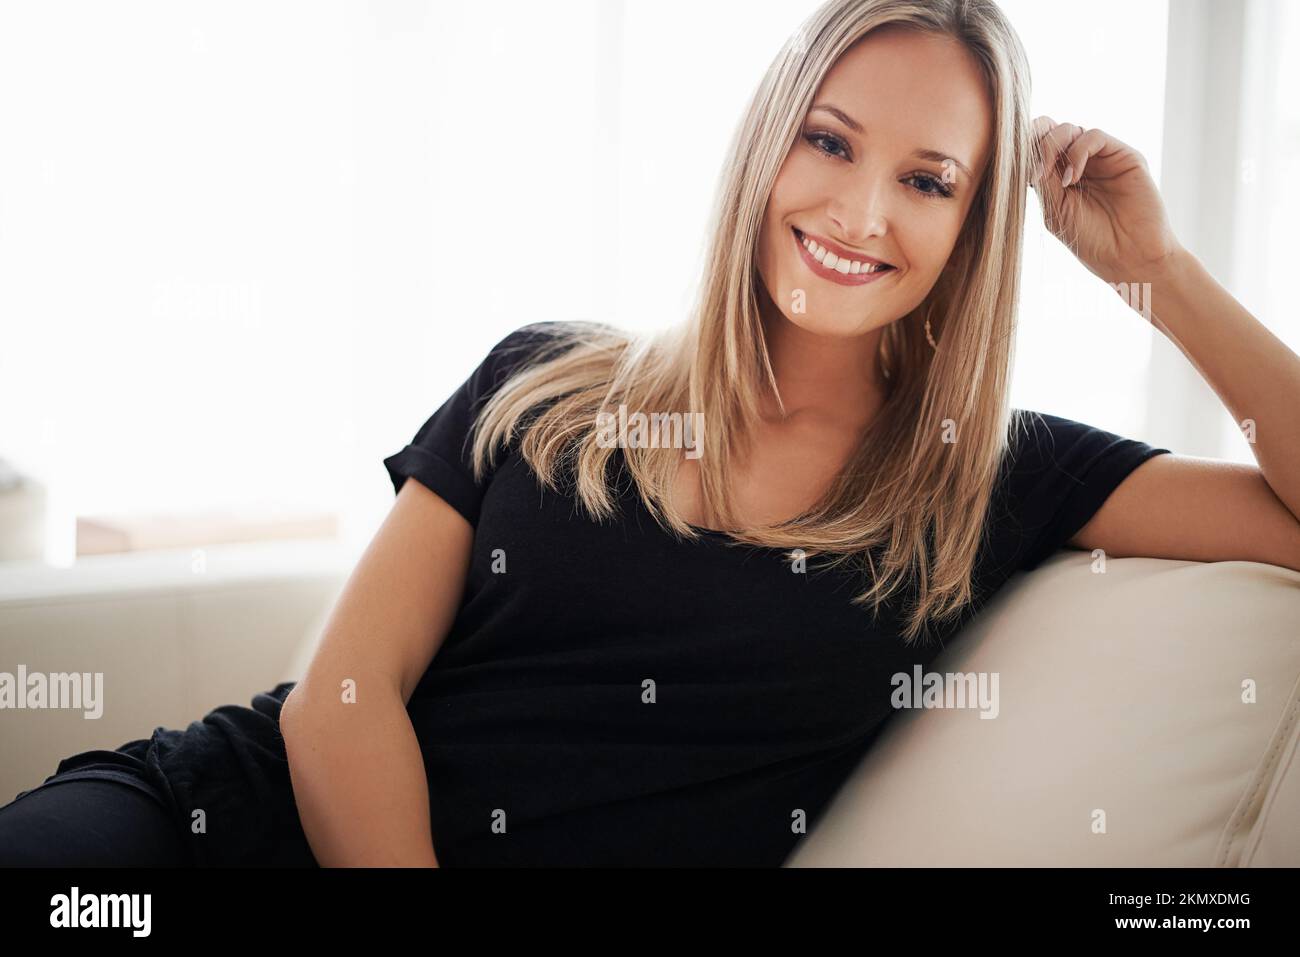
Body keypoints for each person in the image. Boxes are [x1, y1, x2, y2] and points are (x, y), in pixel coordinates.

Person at [4, 0, 1297, 868]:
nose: (858, 210)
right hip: (205, 824)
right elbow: (341, 701)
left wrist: (1160, 272)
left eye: (926, 180)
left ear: (974, 229)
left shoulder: (990, 474)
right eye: (830, 141)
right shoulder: (547, 380)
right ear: (766, 147)